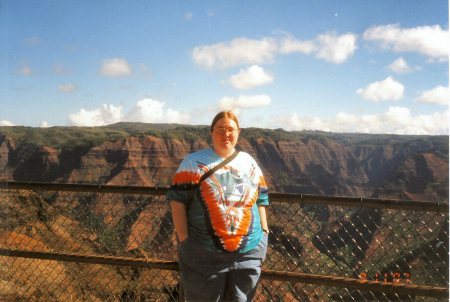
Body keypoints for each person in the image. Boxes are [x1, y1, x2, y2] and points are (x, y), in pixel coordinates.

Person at [167, 111, 269, 301]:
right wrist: (185, 240)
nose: (226, 134)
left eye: (231, 129)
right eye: (220, 129)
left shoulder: (249, 162)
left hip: (249, 253)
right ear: (211, 133)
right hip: (204, 254)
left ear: (239, 132)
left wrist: (264, 231)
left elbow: (261, 198)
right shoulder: (193, 162)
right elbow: (177, 200)